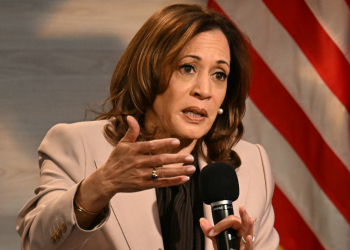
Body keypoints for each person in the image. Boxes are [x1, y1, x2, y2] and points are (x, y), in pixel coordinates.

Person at [16, 4, 279, 250]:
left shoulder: (252, 164)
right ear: (149, 73)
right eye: (188, 68)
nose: (204, 91)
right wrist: (101, 186)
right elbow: (36, 243)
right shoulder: (78, 145)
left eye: (219, 75)